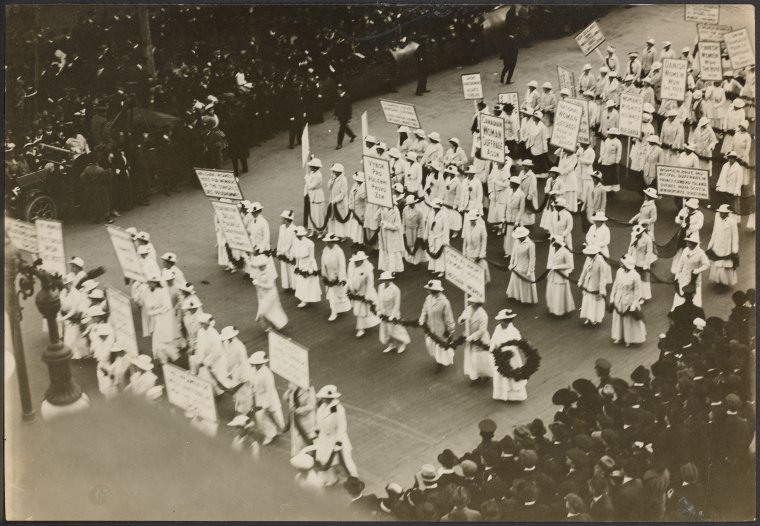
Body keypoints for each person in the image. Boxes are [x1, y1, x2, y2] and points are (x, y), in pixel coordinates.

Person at [314, 384, 359, 484]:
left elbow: (341, 427)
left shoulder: (339, 409)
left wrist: (338, 443)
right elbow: (319, 422)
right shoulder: (322, 407)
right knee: (325, 459)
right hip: (324, 438)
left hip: (336, 438)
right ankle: (333, 478)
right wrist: (317, 432)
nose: (324, 399)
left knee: (345, 460)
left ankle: (354, 478)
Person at [248, 351, 285, 445]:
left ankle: (280, 428)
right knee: (261, 419)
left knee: (276, 416)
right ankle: (270, 434)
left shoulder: (267, 374)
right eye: (255, 364)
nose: (256, 366)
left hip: (270, 399)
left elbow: (269, 391)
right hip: (259, 397)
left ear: (262, 363)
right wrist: (253, 397)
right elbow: (252, 384)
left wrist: (264, 406)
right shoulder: (252, 371)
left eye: (258, 364)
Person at [419, 279, 456, 372]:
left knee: (439, 346)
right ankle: (439, 359)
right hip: (430, 327)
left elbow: (449, 318)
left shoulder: (444, 302)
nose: (428, 291)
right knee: (430, 344)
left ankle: (439, 363)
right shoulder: (428, 298)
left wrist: (451, 330)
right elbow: (424, 310)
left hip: (441, 328)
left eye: (430, 289)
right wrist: (422, 319)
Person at [489, 309, 526, 402]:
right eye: (502, 321)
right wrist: (492, 348)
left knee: (511, 374)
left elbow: (518, 343)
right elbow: (493, 339)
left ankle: (514, 397)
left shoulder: (514, 331)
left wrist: (509, 351)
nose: (503, 323)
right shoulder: (497, 328)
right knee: (501, 375)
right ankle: (501, 395)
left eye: (505, 321)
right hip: (500, 357)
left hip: (511, 358)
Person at [610, 254, 646, 346]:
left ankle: (629, 339)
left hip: (629, 301)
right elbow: (615, 284)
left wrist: (634, 304)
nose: (620, 264)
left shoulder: (635, 275)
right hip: (619, 299)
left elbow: (638, 291)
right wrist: (612, 297)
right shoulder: (619, 271)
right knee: (619, 319)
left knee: (629, 321)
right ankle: (619, 337)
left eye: (622, 263)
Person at [145, 274, 180, 364]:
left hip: (165, 319)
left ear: (155, 283)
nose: (149, 284)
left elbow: (167, 306)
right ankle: (163, 358)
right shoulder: (149, 291)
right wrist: (152, 309)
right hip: (156, 319)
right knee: (158, 339)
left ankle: (170, 356)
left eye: (151, 282)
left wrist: (154, 312)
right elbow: (148, 304)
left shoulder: (163, 291)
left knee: (164, 338)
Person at [346, 251, 380, 338]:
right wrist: (351, 289)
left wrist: (367, 295)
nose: (357, 262)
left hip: (365, 291)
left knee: (366, 309)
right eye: (356, 261)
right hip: (355, 292)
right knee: (359, 310)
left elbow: (370, 283)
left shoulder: (367, 268)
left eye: (359, 261)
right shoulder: (351, 266)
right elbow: (349, 278)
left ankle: (361, 328)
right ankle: (362, 327)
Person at [459, 296, 492, 385]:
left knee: (479, 359)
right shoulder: (468, 309)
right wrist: (462, 319)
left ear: (478, 304)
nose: (471, 303)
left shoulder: (483, 315)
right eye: (470, 301)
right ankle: (475, 377)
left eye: (473, 302)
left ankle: (486, 374)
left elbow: (482, 330)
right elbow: (461, 319)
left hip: (480, 340)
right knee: (471, 357)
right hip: (469, 337)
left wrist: (472, 337)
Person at [251, 255, 288, 332]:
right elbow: (257, 284)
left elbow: (270, 286)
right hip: (262, 295)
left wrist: (258, 284)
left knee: (267, 310)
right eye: (260, 266)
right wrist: (259, 292)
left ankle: (278, 324)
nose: (261, 267)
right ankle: (270, 326)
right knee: (268, 311)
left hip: (271, 295)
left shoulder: (270, 272)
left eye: (263, 265)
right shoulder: (258, 273)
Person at [320, 233, 352, 322]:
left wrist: (341, 278)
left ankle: (339, 308)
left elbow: (342, 265)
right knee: (331, 294)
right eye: (326, 242)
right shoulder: (325, 250)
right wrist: (324, 274)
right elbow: (323, 263)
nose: (327, 243)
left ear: (333, 242)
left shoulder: (339, 251)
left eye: (329, 242)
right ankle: (334, 312)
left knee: (339, 294)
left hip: (337, 276)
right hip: (329, 275)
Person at [376, 271, 411, 354]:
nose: (385, 281)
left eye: (387, 279)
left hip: (392, 313)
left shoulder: (395, 289)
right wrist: (378, 309)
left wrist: (393, 315)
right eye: (383, 280)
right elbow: (379, 299)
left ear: (390, 279)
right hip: (383, 313)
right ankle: (391, 344)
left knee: (395, 330)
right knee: (385, 330)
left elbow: (397, 303)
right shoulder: (381, 286)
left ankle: (402, 344)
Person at [578, 244, 612, 326]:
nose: (587, 255)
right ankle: (588, 317)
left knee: (594, 303)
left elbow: (603, 278)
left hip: (596, 286)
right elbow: (584, 271)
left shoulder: (601, 262)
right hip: (588, 284)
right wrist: (580, 281)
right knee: (587, 301)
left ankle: (594, 319)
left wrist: (601, 291)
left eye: (589, 254)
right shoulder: (589, 259)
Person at [707, 204, 739, 287]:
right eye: (720, 213)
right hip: (717, 246)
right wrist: (711, 244)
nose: (721, 214)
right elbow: (714, 232)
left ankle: (726, 281)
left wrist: (734, 249)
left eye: (723, 213)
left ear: (727, 214)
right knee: (717, 262)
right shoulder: (717, 220)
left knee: (725, 263)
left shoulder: (732, 222)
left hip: (726, 247)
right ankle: (718, 279)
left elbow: (735, 237)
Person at [283, 382, 317, 457]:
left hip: (306, 419)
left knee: (307, 438)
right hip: (294, 419)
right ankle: (299, 456)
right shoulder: (292, 385)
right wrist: (289, 391)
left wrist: (298, 410)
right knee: (296, 439)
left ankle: (311, 454)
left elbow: (311, 406)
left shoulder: (309, 388)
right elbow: (286, 398)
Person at [671, 198, 704, 274]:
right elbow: (677, 220)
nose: (689, 208)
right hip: (682, 234)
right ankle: (677, 270)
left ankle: (690, 270)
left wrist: (689, 227)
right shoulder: (684, 210)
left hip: (692, 235)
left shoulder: (699, 214)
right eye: (688, 206)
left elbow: (699, 225)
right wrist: (680, 218)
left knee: (690, 252)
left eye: (691, 207)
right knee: (680, 251)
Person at [292, 226, 322, 308]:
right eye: (297, 235)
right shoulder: (295, 241)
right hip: (301, 263)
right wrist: (297, 266)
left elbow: (311, 258)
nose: (298, 237)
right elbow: (297, 255)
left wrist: (310, 268)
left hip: (309, 263)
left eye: (300, 235)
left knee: (308, 281)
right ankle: (303, 297)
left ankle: (306, 299)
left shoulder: (310, 243)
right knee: (301, 281)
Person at [545, 236, 575, 316]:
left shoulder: (565, 252)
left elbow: (569, 265)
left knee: (559, 293)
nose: (552, 244)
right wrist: (550, 268)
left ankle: (560, 311)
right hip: (552, 275)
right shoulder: (552, 249)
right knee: (552, 292)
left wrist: (557, 267)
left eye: (553, 242)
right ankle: (553, 308)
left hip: (561, 276)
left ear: (558, 243)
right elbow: (550, 261)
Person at [507, 226, 537, 304]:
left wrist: (530, 270)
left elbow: (532, 258)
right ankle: (515, 296)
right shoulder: (517, 241)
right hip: (516, 265)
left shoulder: (531, 244)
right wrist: (511, 263)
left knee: (525, 284)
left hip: (525, 267)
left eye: (520, 237)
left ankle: (526, 300)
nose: (518, 238)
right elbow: (513, 252)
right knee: (514, 281)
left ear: (524, 236)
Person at [627, 224, 656, 301]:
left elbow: (649, 252)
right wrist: (628, 257)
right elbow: (630, 247)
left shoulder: (647, 239)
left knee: (644, 280)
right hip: (634, 260)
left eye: (638, 234)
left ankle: (642, 297)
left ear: (641, 232)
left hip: (643, 262)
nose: (636, 235)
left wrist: (646, 264)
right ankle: (635, 295)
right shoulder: (634, 236)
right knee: (634, 278)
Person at [376, 202, 405, 274]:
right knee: (385, 252)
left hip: (393, 236)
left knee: (393, 254)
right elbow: (375, 217)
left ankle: (393, 270)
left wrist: (386, 224)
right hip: (384, 235)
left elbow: (398, 226)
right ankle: (387, 269)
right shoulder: (383, 208)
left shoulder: (396, 210)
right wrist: (379, 208)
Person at [463, 210, 490, 284]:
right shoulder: (466, 226)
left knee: (481, 267)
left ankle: (483, 280)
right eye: (471, 220)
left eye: (474, 220)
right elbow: (465, 241)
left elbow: (484, 241)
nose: (472, 221)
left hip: (478, 252)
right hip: (469, 251)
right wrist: (464, 252)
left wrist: (481, 253)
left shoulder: (481, 227)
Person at [425, 198, 449, 277]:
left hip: (440, 237)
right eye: (434, 207)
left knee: (440, 253)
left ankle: (441, 270)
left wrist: (445, 241)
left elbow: (446, 229)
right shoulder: (430, 213)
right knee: (432, 251)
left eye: (436, 208)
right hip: (432, 236)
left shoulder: (444, 215)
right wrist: (425, 236)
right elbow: (428, 226)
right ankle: (435, 268)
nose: (434, 209)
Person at [502, 176, 525, 256]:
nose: (510, 184)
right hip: (508, 217)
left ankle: (514, 252)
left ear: (516, 184)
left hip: (515, 218)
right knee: (507, 235)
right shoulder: (508, 192)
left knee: (514, 237)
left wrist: (517, 221)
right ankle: (507, 251)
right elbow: (505, 205)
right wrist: (503, 217)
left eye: (511, 183)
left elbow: (521, 209)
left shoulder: (521, 195)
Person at [402, 195, 428, 266]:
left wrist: (419, 235)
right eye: (410, 204)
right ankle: (410, 260)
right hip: (408, 230)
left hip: (416, 230)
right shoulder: (405, 209)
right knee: (409, 245)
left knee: (416, 246)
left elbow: (421, 225)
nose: (411, 205)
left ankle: (416, 262)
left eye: (412, 203)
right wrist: (403, 231)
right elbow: (403, 221)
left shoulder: (419, 211)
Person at [327, 163, 350, 239]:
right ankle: (335, 234)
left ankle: (343, 236)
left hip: (340, 203)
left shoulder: (343, 180)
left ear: (339, 172)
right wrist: (331, 180)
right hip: (333, 201)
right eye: (333, 171)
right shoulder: (334, 178)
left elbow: (343, 193)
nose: (334, 173)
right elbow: (329, 187)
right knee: (333, 219)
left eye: (335, 171)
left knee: (340, 218)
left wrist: (335, 200)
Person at [304, 157, 326, 236]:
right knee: (312, 214)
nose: (309, 167)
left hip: (318, 197)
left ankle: (320, 231)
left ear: (315, 167)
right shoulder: (312, 173)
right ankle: (313, 230)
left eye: (311, 166)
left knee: (318, 215)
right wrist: (308, 177)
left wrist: (307, 179)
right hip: (312, 196)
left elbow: (311, 186)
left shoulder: (319, 175)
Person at [277, 210, 297, 292]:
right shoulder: (281, 227)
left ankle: (293, 286)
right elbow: (280, 240)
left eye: (283, 218)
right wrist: (279, 251)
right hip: (283, 253)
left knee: (291, 270)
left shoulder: (294, 229)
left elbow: (294, 243)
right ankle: (286, 285)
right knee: (284, 269)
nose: (281, 220)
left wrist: (291, 255)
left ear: (287, 220)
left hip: (290, 254)